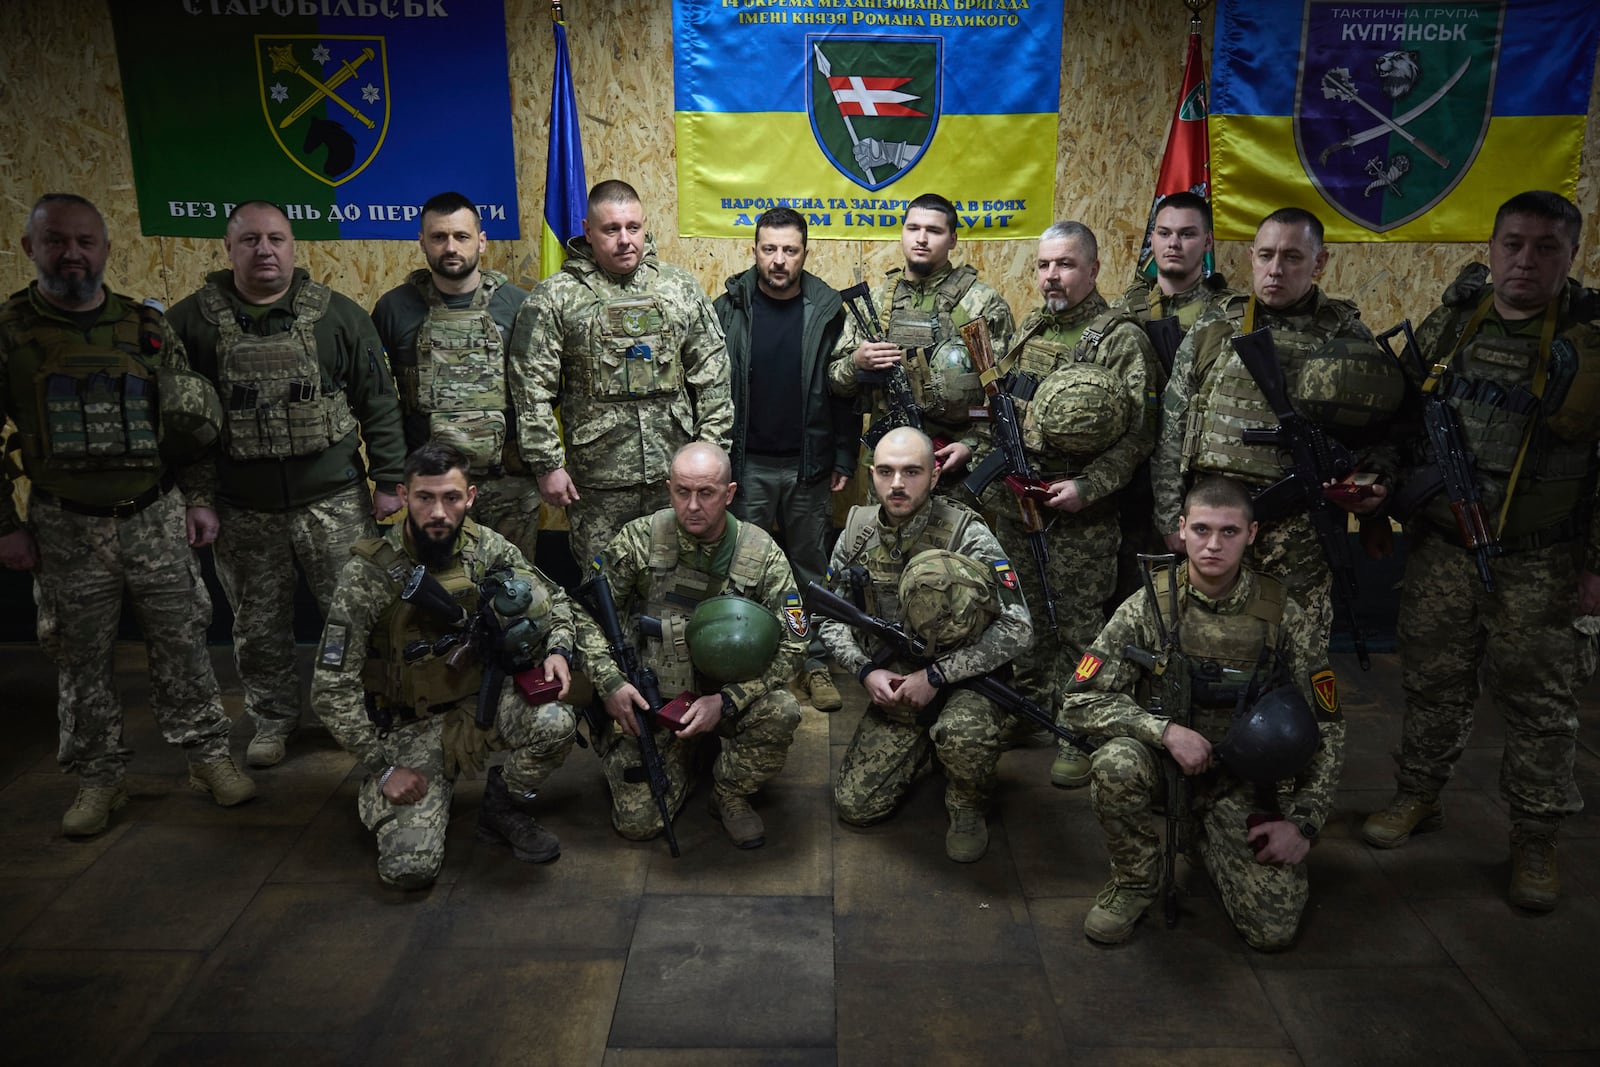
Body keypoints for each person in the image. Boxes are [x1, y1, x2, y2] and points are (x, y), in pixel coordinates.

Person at [1362, 190, 1600, 913]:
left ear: (1571, 255)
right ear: (1492, 249)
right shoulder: (1454, 324)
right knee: (1433, 681)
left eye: (1546, 247)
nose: (1525, 260)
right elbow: (1399, 418)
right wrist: (1381, 495)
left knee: (1540, 704)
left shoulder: (1586, 344)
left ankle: (1535, 836)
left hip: (1542, 557)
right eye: (1513, 244)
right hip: (1441, 546)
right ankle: (1419, 794)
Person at [0, 193, 254, 836]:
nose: (72, 254)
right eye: (56, 240)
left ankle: (207, 757)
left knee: (185, 641)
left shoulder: (146, 327)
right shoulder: (10, 333)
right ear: (31, 247)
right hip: (64, 523)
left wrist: (198, 500)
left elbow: (189, 422)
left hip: (153, 515)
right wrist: (5, 525)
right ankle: (98, 778)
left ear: (105, 249)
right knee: (79, 656)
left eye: (86, 241)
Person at [168, 200, 407, 770]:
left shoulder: (339, 317)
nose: (264, 250)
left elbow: (378, 402)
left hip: (334, 500)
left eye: (276, 238)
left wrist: (390, 480)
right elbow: (181, 427)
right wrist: (197, 499)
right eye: (249, 240)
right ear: (228, 249)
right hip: (242, 507)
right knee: (256, 623)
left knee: (356, 614)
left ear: (294, 246)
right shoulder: (189, 323)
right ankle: (273, 718)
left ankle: (362, 709)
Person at [1062, 476, 1344, 950]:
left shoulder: (1283, 617)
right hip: (1163, 768)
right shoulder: (1148, 605)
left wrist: (1305, 824)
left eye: (1229, 532)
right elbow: (1079, 700)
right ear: (1182, 529)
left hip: (1242, 779)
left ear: (1251, 534)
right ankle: (1134, 879)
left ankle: (1203, 835)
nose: (1213, 545)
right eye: (1202, 530)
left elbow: (1328, 726)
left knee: (1272, 932)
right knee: (1115, 764)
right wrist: (1164, 731)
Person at [310, 441, 596, 889]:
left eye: (451, 497)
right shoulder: (367, 575)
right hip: (408, 727)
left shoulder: (487, 548)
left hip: (478, 706)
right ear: (404, 497)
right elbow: (330, 687)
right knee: (410, 870)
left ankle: (501, 807)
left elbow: (555, 599)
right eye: (425, 498)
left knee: (556, 719)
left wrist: (558, 649)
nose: (438, 512)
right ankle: (388, 796)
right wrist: (381, 767)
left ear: (471, 498)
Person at [1152, 207, 1403, 644]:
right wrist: (1169, 518)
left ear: (1319, 262)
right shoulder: (1216, 324)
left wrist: (1373, 499)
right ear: (1251, 256)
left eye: (1292, 257)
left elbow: (1382, 437)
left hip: (1301, 527)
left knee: (1297, 650)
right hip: (1215, 523)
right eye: (1266, 255)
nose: (1275, 270)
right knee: (1201, 647)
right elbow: (1172, 426)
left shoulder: (1345, 337)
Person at [970, 222, 1159, 789]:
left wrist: (1091, 487)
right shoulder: (1029, 329)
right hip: (1018, 504)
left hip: (1079, 512)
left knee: (1078, 625)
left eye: (1066, 264)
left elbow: (1141, 436)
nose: (1052, 275)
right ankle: (1032, 713)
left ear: (1094, 270)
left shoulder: (1121, 339)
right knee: (1023, 615)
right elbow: (1002, 408)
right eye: (1044, 264)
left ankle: (1079, 727)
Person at [819, 426, 1033, 862]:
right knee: (856, 807)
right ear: (872, 475)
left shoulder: (967, 534)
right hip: (898, 679)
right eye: (886, 472)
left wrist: (938, 675)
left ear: (935, 475)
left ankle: (967, 799)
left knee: (962, 734)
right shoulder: (856, 532)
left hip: (966, 678)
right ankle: (924, 746)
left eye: (912, 472)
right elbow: (828, 615)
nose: (897, 484)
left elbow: (1018, 626)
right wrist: (864, 670)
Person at [583, 442, 805, 849]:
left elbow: (796, 644)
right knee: (639, 822)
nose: (693, 505)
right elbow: (585, 618)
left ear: (731, 493)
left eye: (706, 493)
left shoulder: (762, 554)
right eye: (682, 492)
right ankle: (687, 756)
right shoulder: (638, 540)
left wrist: (730, 700)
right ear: (669, 489)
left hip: (725, 696)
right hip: (658, 700)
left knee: (783, 710)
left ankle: (729, 793)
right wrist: (609, 682)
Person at [507, 179, 733, 572]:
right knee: (604, 583)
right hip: (597, 482)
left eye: (634, 227)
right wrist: (547, 464)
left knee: (679, 578)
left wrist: (710, 454)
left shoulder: (677, 288)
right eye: (612, 229)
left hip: (675, 477)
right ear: (589, 231)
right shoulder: (557, 296)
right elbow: (531, 387)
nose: (625, 239)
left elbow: (712, 374)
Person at [713, 206, 853, 714]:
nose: (778, 260)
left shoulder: (826, 307)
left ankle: (814, 663)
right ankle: (748, 661)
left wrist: (842, 455)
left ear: (804, 254)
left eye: (789, 250)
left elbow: (844, 391)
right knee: (743, 568)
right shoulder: (728, 306)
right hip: (744, 467)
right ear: (754, 250)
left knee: (810, 569)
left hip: (806, 467)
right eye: (769, 249)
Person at [370, 191, 538, 558]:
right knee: (435, 590)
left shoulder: (518, 305)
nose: (450, 247)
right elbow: (380, 401)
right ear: (421, 241)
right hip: (430, 488)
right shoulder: (394, 309)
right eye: (438, 237)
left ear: (481, 240)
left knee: (513, 591)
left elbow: (539, 393)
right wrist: (388, 476)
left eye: (461, 236)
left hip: (507, 484)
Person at [828, 193, 1014, 483]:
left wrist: (972, 446)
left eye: (934, 231)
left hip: (951, 460)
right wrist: (856, 362)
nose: (921, 239)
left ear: (953, 239)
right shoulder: (876, 302)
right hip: (889, 464)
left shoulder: (980, 303)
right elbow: (836, 382)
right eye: (913, 228)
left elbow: (1003, 390)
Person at [1111, 191, 1234, 609]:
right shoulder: (1122, 310)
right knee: (1128, 596)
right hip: (1128, 477)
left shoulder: (1227, 315)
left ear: (1207, 242)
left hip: (1198, 474)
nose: (1173, 244)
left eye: (1186, 234)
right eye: (1163, 233)